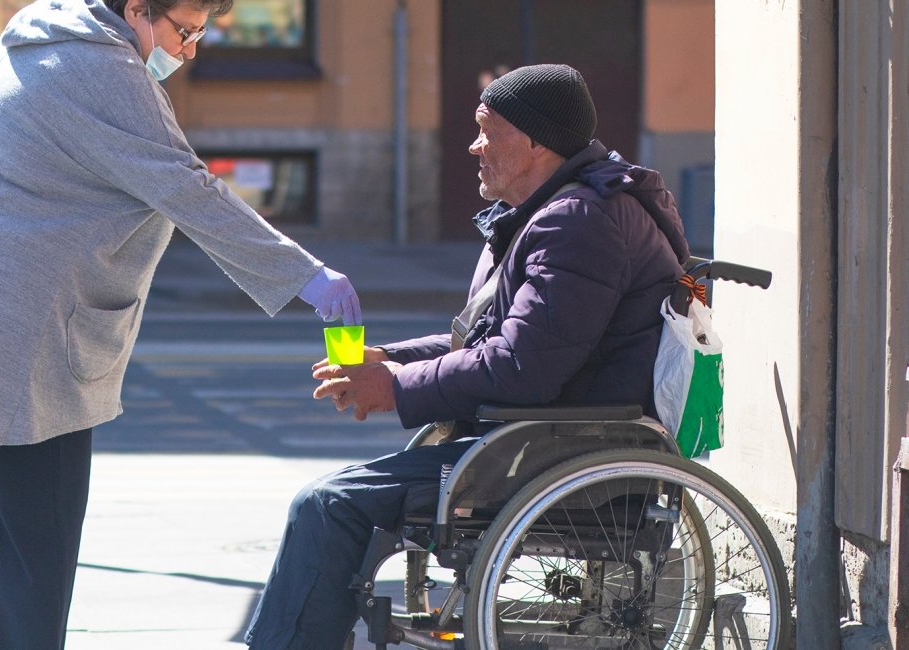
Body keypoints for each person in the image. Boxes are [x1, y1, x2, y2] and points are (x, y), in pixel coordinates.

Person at [0, 0, 362, 647]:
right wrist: (305, 275)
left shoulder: (40, 32)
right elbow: (187, 189)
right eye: (185, 32)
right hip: (22, 327)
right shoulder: (105, 66)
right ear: (136, 10)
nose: (188, 51)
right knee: (35, 560)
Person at [243, 63, 691, 649]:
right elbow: (492, 340)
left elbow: (522, 366)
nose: (473, 146)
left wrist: (397, 387)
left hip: (560, 451)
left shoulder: (578, 222)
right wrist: (389, 359)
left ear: (535, 142)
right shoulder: (554, 213)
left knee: (328, 506)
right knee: (333, 499)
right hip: (546, 439)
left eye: (488, 130)